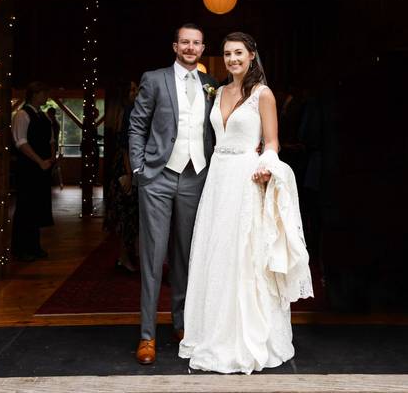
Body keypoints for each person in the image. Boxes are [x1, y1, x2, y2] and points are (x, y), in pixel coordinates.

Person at [179, 32, 313, 374]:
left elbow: (271, 142)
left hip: (244, 178)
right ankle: (212, 330)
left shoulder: (262, 94)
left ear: (252, 55)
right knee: (216, 252)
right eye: (227, 54)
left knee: (244, 253)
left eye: (238, 53)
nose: (232, 59)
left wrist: (266, 166)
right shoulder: (219, 91)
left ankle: (245, 335)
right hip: (217, 179)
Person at [128, 24, 217, 365]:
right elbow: (137, 125)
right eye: (185, 42)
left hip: (196, 178)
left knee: (185, 256)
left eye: (196, 43)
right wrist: (139, 170)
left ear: (202, 47)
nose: (190, 47)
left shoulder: (211, 85)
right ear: (175, 46)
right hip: (159, 177)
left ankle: (181, 324)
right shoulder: (154, 79)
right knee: (153, 258)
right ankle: (147, 336)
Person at [10, 82, 55, 261]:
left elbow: (51, 139)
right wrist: (39, 161)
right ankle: (20, 248)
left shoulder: (43, 116)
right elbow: (20, 143)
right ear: (35, 94)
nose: (46, 97)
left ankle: (34, 246)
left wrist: (51, 158)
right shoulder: (22, 114)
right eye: (45, 93)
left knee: (37, 207)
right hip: (28, 168)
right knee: (25, 207)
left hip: (42, 167)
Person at [104, 80, 139, 272]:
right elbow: (126, 145)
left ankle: (128, 256)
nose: (135, 92)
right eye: (132, 89)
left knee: (131, 215)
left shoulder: (131, 109)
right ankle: (124, 258)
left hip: (128, 166)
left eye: (137, 88)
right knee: (127, 214)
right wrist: (129, 173)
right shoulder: (129, 110)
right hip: (126, 168)